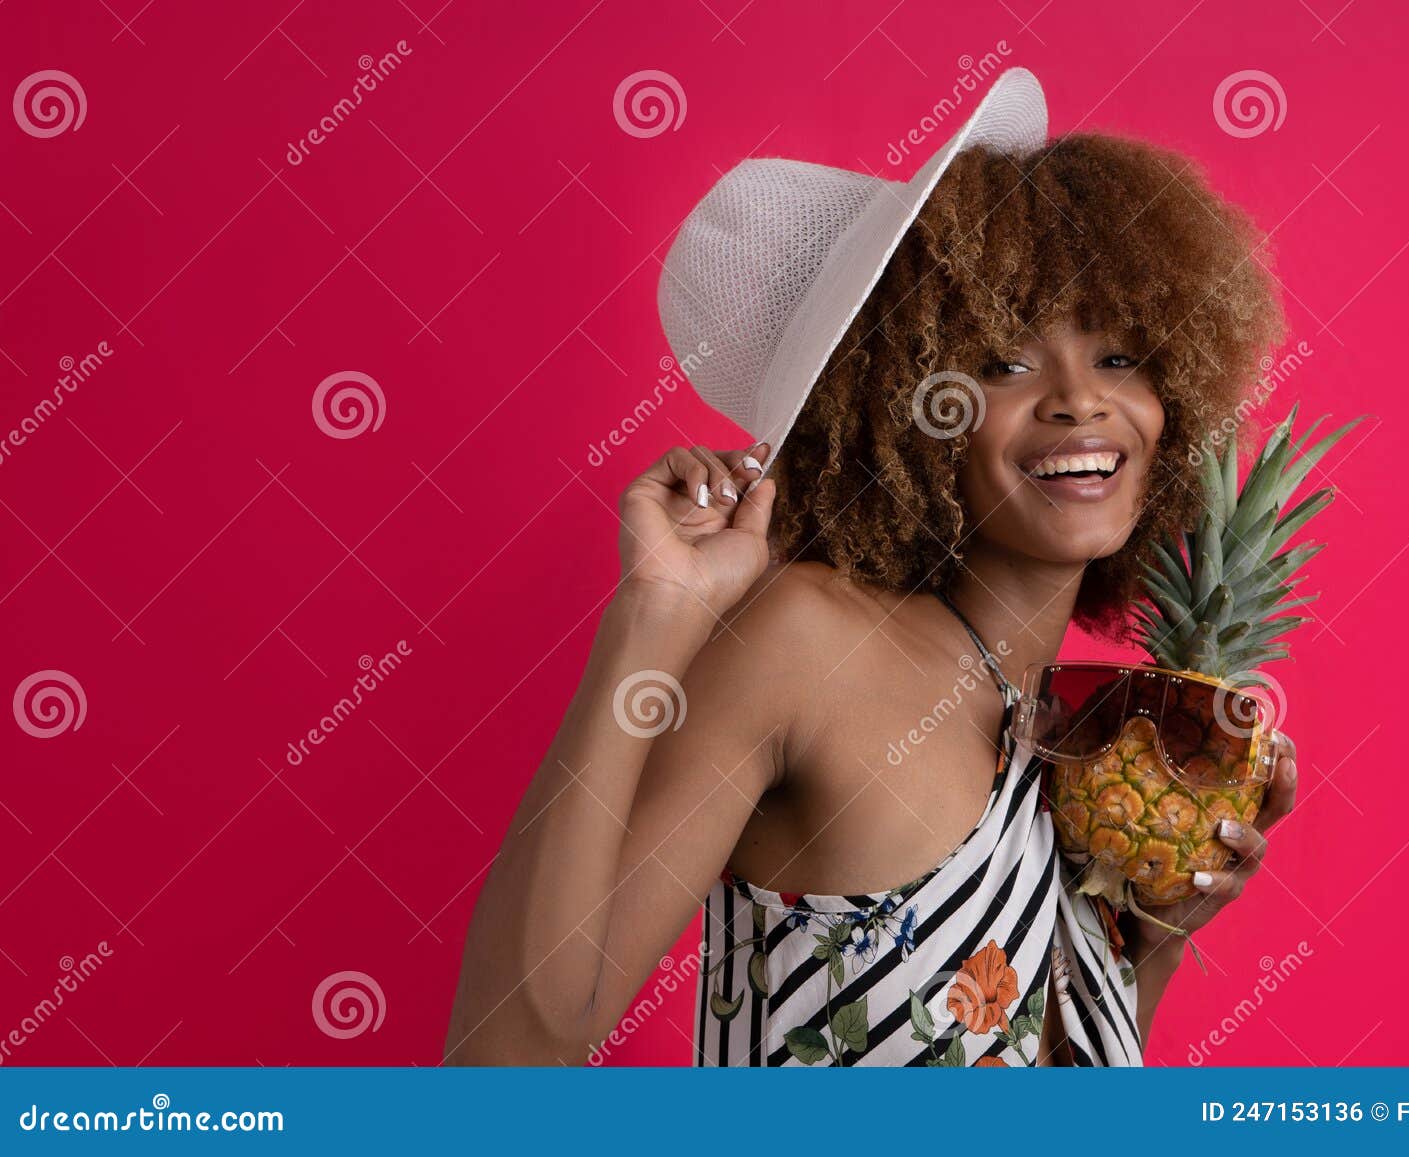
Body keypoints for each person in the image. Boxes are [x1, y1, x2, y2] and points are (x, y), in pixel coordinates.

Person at [445, 68, 1300, 1067]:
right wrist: (653, 617)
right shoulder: (807, 641)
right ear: (907, 408)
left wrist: (1146, 938)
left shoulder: (1079, 732)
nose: (1079, 401)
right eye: (1001, 362)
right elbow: (506, 1049)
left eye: (1118, 357)